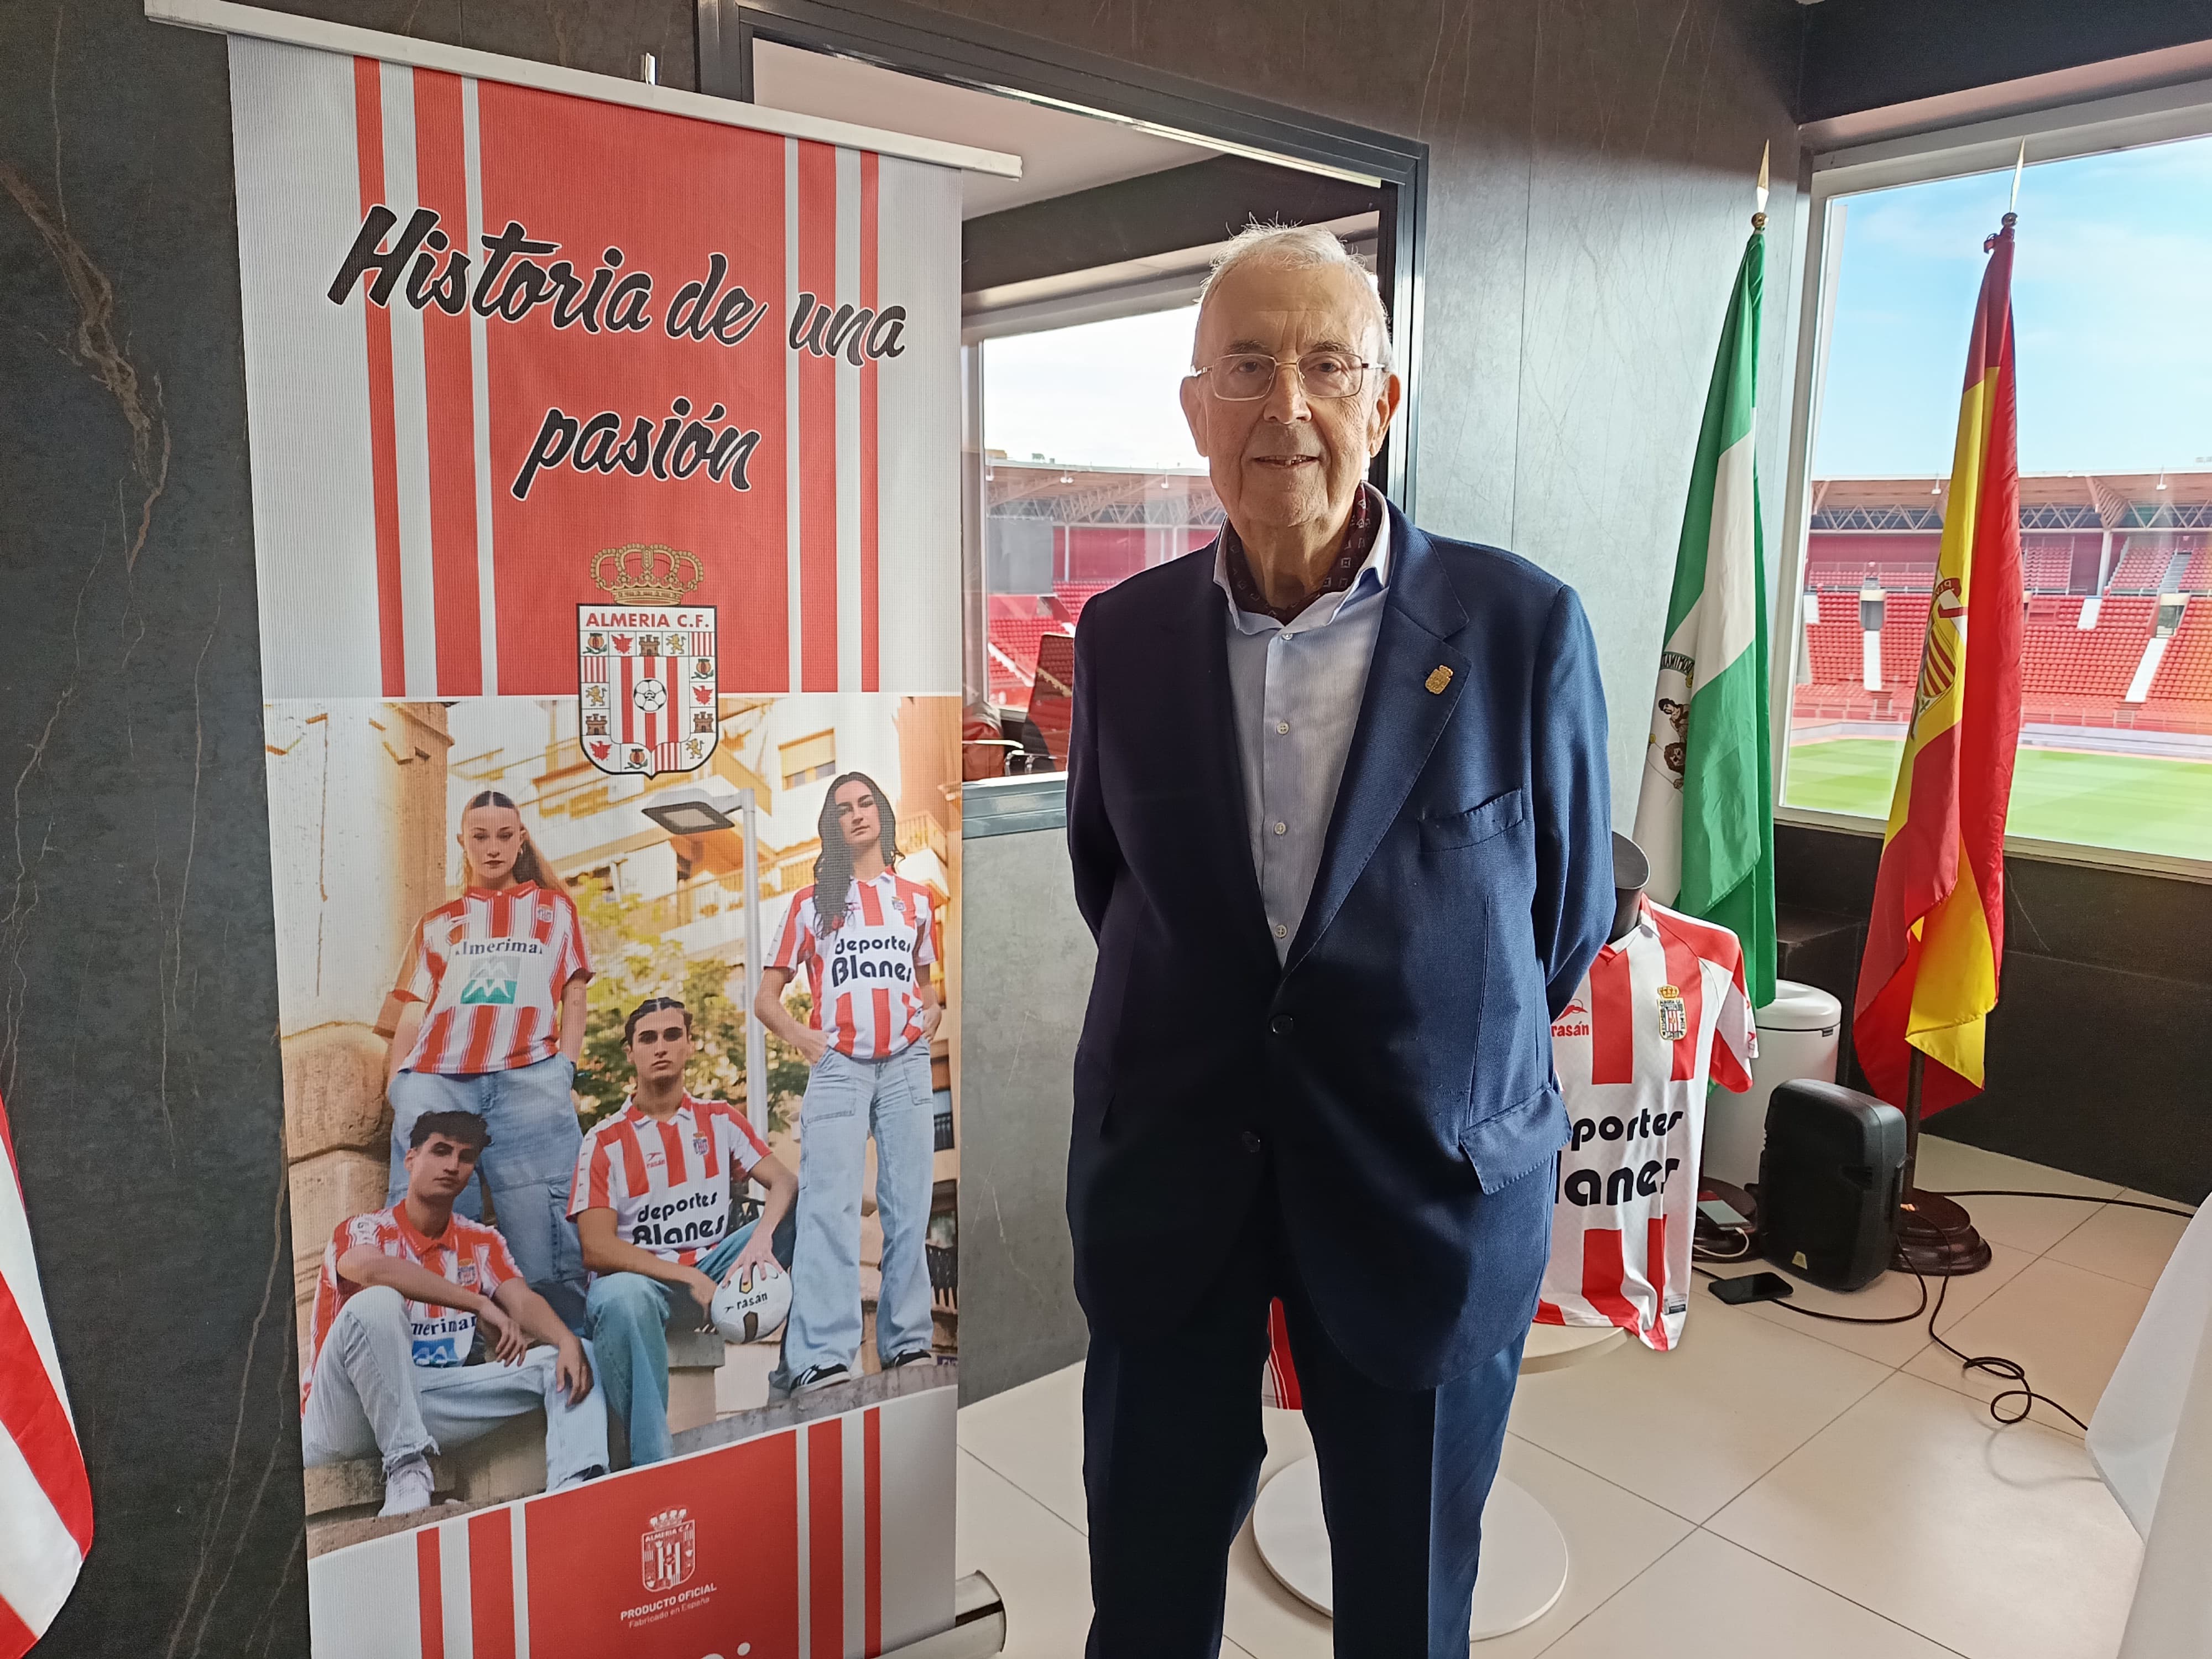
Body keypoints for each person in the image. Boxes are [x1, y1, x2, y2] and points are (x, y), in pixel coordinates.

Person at [1064, 223, 1613, 1658]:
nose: (1285, 407)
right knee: (1148, 1587)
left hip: (1420, 1184)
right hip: (1173, 1170)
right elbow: (1110, 882)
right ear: (1195, 410)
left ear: (1385, 401)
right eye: (1246, 367)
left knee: (1406, 1606)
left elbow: (1561, 919)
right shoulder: (1118, 639)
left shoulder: (1522, 628)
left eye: (1326, 364)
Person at [302, 1111, 608, 1517]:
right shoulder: (364, 1229)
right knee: (377, 1302)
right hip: (342, 1414)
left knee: (568, 1357)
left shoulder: (479, 1241)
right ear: (411, 1159)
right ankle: (408, 1468)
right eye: (441, 1151)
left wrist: (567, 1340)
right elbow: (368, 1268)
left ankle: (577, 1490)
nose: (452, 1166)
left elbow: (523, 1303)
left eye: (465, 1158)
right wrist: (479, 1302)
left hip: (427, 1401)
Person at [754, 773, 942, 1394]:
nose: (856, 814)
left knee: (909, 1206)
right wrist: (806, 1040)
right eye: (842, 809)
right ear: (830, 827)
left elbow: (926, 986)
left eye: (866, 803)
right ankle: (820, 1356)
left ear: (883, 815)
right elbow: (766, 998)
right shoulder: (811, 903)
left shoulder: (917, 901)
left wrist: (930, 1016)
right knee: (828, 1207)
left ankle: (909, 1342)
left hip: (907, 1064)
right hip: (839, 1065)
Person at [384, 789, 593, 1324]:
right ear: (463, 841)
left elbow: (574, 992)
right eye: (480, 837)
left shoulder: (554, 909)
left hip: (530, 1076)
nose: (493, 848)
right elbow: (413, 1009)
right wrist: (398, 1083)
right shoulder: (438, 921)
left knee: (544, 1226)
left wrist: (563, 1067)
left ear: (521, 838)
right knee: (432, 1213)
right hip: (438, 1080)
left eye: (505, 835)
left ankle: (560, 1355)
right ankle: (448, 1346)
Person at [571, 996, 798, 1466]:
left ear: (690, 1046)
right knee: (622, 1298)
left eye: (673, 1036)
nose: (661, 1047)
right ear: (630, 1052)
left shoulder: (719, 1120)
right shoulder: (604, 1141)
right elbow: (595, 1247)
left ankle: (796, 1373)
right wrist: (686, 1276)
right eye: (648, 1038)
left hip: (716, 1268)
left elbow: (784, 1182)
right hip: (645, 1287)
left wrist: (759, 1238)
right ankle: (650, 1463)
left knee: (810, 1207)